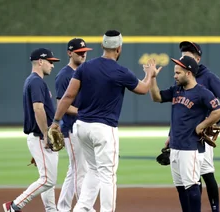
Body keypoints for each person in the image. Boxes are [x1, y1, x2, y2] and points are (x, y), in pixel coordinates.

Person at [50, 29, 156, 212]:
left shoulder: (85, 67)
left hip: (81, 127)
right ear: (119, 48)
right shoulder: (121, 71)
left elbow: (67, 96)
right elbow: (143, 89)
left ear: (102, 46)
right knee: (108, 175)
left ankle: (81, 208)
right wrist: (150, 74)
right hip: (104, 129)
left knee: (93, 170)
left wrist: (55, 121)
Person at [165, 42, 220, 212]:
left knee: (206, 175)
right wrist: (171, 134)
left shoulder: (207, 76)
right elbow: (180, 110)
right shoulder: (182, 75)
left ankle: (214, 209)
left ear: (197, 59)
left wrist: (210, 123)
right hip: (182, 139)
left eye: (188, 55)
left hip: (199, 138)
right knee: (190, 180)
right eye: (182, 54)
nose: (184, 57)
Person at [149, 55, 220, 212]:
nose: (174, 75)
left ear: (189, 73)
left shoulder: (202, 93)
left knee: (191, 187)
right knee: (181, 188)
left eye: (178, 73)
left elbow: (219, 110)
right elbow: (156, 97)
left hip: (190, 148)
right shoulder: (176, 90)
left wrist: (202, 125)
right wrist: (152, 78)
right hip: (175, 147)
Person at [2, 48, 61, 212]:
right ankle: (14, 205)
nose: (52, 65)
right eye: (50, 61)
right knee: (48, 179)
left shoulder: (34, 81)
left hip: (39, 138)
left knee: (49, 179)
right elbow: (38, 109)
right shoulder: (35, 81)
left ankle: (51, 209)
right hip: (40, 136)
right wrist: (45, 134)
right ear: (40, 62)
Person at [55, 38, 95, 212]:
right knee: (81, 172)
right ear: (69, 53)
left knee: (74, 170)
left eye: (84, 51)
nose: (83, 54)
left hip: (83, 127)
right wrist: (84, 112)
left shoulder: (85, 71)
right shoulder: (64, 75)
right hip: (71, 129)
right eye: (79, 52)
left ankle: (62, 208)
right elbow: (61, 105)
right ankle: (84, 209)